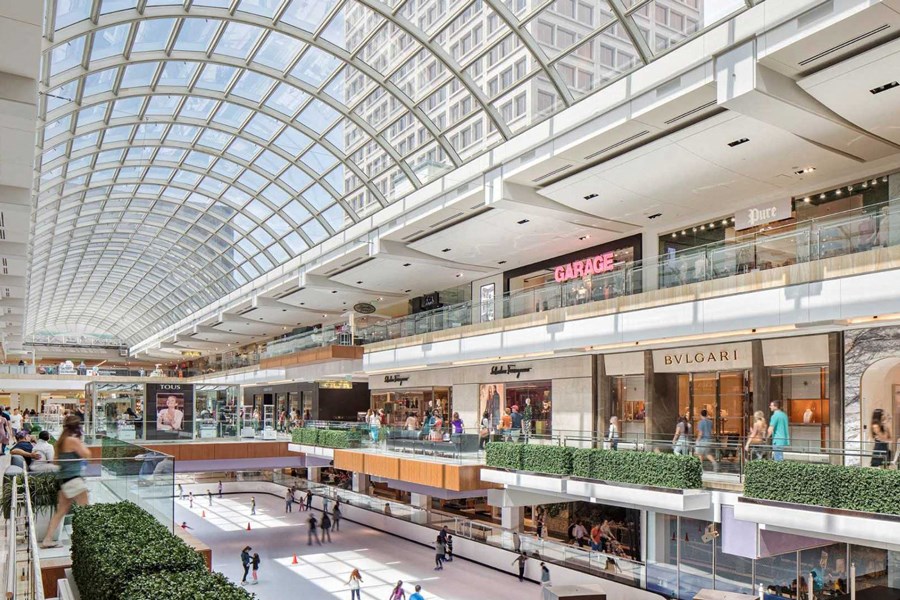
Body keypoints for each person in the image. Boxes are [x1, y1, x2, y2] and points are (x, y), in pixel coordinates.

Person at [41, 415, 92, 548]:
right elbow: (87, 454)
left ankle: (47, 539)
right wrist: (81, 442)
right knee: (86, 510)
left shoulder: (61, 441)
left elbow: (56, 461)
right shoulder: (72, 440)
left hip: (64, 480)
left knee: (61, 512)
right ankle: (87, 540)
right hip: (74, 479)